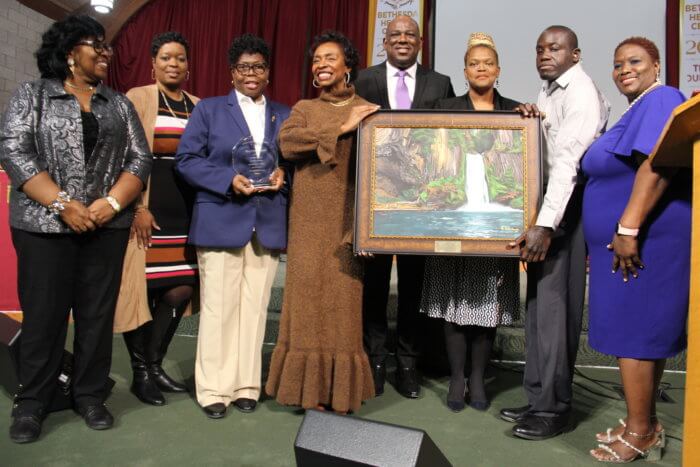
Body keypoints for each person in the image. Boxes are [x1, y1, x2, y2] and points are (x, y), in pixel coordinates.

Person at [1, 15, 151, 443]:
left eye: (106, 46)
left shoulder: (118, 104)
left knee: (96, 316)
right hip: (43, 225)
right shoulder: (34, 95)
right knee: (45, 316)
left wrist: (112, 203)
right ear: (69, 53)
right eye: (95, 45)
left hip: (106, 227)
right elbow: (15, 150)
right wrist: (63, 204)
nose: (106, 52)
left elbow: (138, 160)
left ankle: (89, 395)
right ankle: (32, 403)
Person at [500, 25, 610, 440]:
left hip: (565, 212)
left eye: (555, 48)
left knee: (555, 314)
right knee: (538, 315)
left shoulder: (579, 91)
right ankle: (537, 398)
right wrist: (532, 118)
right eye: (540, 48)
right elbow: (542, 151)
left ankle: (554, 409)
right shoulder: (550, 91)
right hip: (549, 206)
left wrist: (545, 225)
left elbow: (566, 165)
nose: (545, 54)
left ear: (575, 54)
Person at [583, 37, 688, 463]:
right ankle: (640, 421)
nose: (624, 68)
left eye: (635, 61)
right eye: (617, 63)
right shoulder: (639, 107)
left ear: (657, 65)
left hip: (645, 239)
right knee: (640, 335)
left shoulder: (663, 97)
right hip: (634, 239)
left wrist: (628, 227)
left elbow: (657, 164)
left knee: (635, 333)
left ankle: (641, 432)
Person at [176, 34, 290, 419]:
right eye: (244, 67)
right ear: (232, 74)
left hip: (267, 224)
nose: (251, 74)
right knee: (218, 308)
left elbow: (291, 162)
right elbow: (187, 159)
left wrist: (282, 175)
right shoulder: (208, 110)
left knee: (255, 310)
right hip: (222, 217)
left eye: (258, 66)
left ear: (268, 72)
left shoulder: (284, 114)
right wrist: (227, 179)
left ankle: (245, 385)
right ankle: (213, 389)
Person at [265, 30, 378, 414]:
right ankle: (306, 393)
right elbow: (288, 144)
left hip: (347, 222)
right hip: (308, 224)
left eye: (331, 58)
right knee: (307, 305)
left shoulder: (369, 110)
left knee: (343, 310)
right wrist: (341, 128)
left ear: (348, 65)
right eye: (317, 59)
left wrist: (368, 226)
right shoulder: (304, 108)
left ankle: (339, 394)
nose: (322, 64)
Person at [354, 14, 455, 399]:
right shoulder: (363, 79)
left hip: (420, 203)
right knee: (374, 285)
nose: (401, 39)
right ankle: (376, 360)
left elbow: (448, 136)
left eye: (409, 34)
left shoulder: (439, 83)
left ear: (419, 41)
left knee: (415, 284)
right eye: (394, 34)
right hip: (373, 200)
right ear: (385, 40)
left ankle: (409, 362)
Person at [421, 33, 520, 413]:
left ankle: (479, 377)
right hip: (452, 223)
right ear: (464, 71)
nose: (481, 68)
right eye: (474, 63)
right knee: (453, 303)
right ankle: (458, 377)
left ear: (497, 70)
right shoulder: (443, 107)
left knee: (486, 306)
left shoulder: (516, 113)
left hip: (494, 227)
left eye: (487, 63)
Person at [114, 31, 200, 407]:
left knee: (180, 289)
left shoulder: (198, 106)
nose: (173, 64)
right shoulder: (138, 97)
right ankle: (141, 374)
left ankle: (154, 364)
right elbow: (124, 156)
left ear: (188, 65)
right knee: (141, 291)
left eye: (180, 58)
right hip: (147, 210)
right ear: (153, 63)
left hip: (185, 214)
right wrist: (136, 208)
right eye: (166, 57)